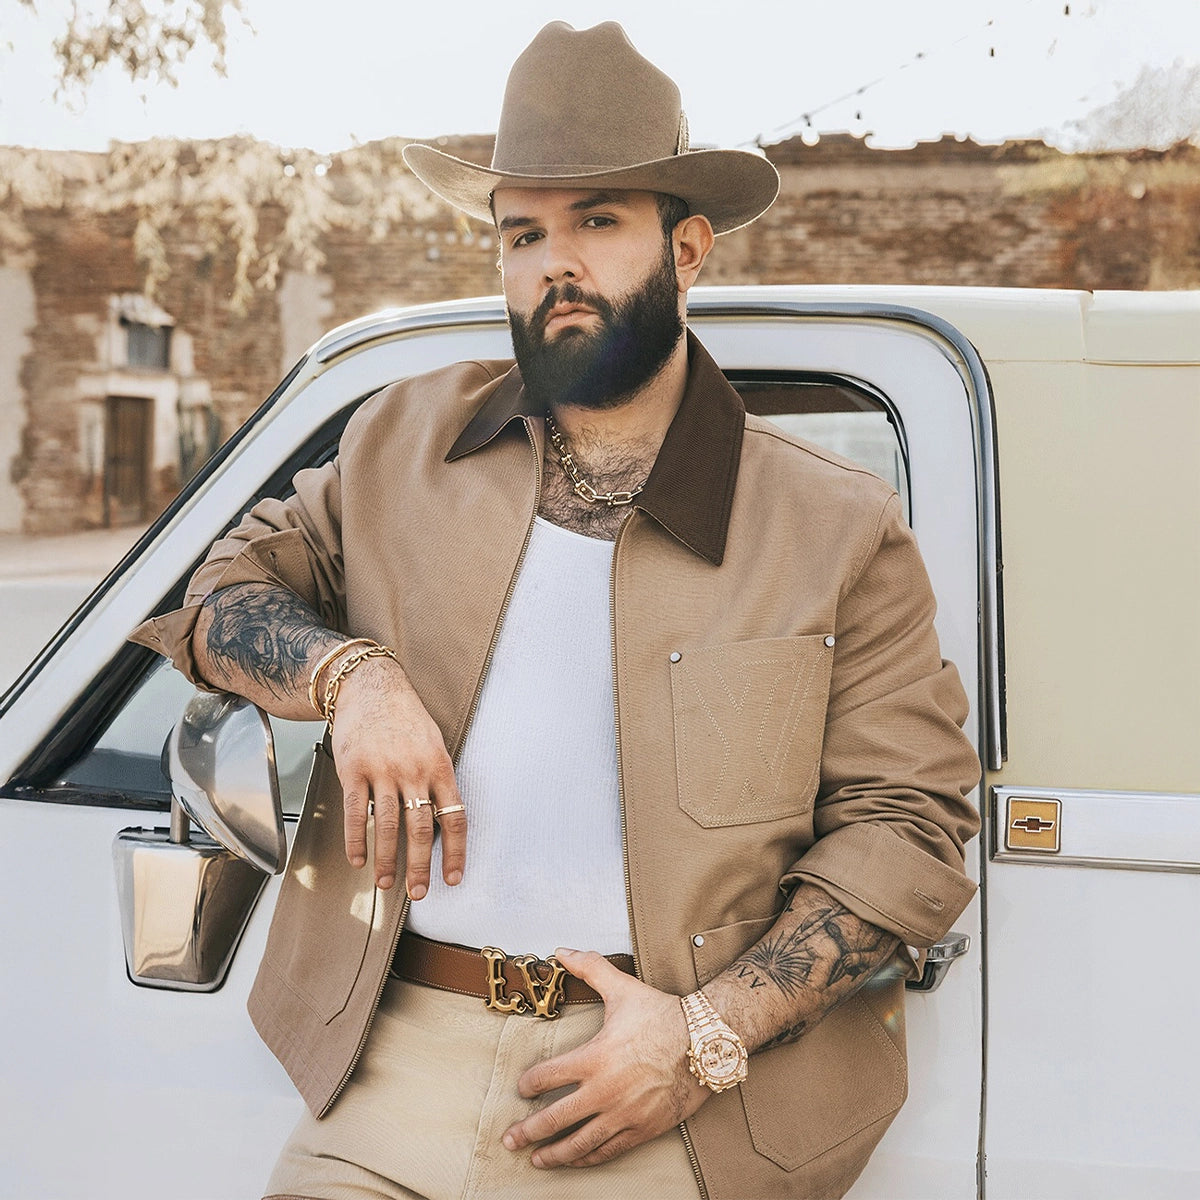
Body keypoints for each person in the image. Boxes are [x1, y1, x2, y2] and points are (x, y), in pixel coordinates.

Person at [133, 20, 980, 1200]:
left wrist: (702, 1044)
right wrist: (354, 678)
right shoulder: (397, 444)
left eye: (597, 221)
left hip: (663, 1098)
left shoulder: (836, 527)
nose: (554, 263)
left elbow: (914, 824)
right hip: (392, 1067)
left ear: (688, 250)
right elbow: (209, 591)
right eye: (522, 232)